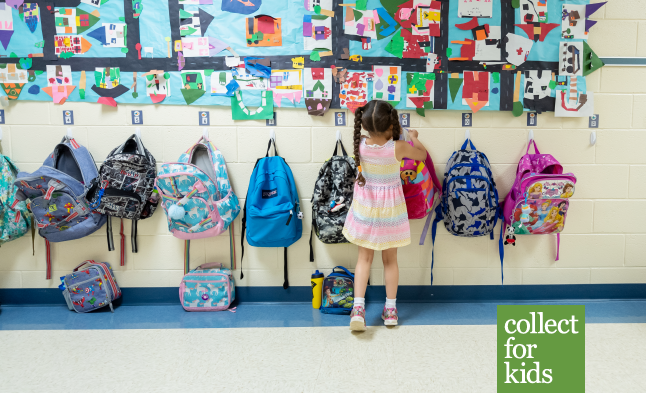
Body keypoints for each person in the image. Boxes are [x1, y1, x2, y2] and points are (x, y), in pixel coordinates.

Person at [342, 100, 428, 331]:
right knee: (390, 261)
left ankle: (358, 310)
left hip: (366, 207)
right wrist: (414, 136)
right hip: (391, 210)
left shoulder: (360, 144)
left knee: (364, 260)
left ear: (366, 125)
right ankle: (391, 311)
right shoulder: (398, 147)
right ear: (391, 124)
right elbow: (422, 154)